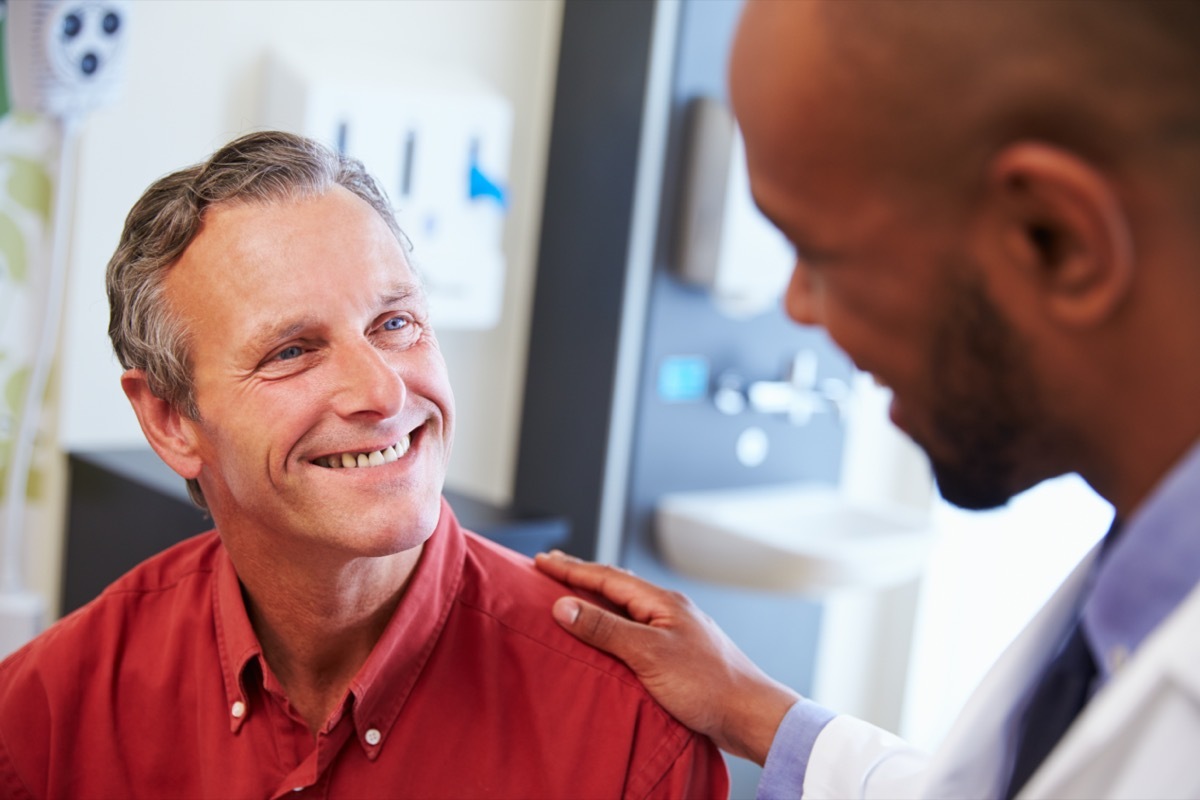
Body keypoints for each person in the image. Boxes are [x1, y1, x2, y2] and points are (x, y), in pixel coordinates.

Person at [536, 1, 1200, 798]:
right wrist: (751, 709)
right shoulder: (1138, 591)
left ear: (1053, 239)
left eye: (818, 255)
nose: (798, 310)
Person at [0, 131, 727, 799]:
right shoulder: (46, 716)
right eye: (291, 351)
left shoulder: (631, 731)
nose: (384, 391)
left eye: (396, 324)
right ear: (170, 419)